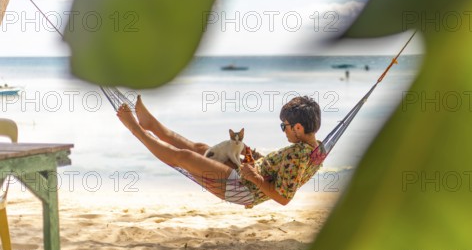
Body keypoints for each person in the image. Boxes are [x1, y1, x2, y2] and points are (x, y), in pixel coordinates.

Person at [117, 95, 322, 208]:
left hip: (241, 187)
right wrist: (258, 158)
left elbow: (284, 198)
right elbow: (284, 174)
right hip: (244, 178)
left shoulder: (299, 154)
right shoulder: (314, 148)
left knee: (185, 157)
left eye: (284, 126)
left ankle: (135, 128)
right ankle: (151, 124)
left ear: (298, 128)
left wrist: (256, 179)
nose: (283, 130)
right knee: (200, 149)